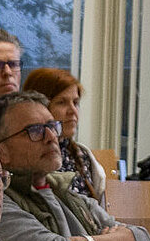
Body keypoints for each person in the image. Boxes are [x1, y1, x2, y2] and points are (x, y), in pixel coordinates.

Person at [0, 92, 150, 241]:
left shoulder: (67, 193)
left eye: (52, 126)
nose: (51, 137)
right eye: (35, 130)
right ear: (0, 150)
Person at [22, 66, 107, 203]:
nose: (73, 111)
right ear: (38, 107)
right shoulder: (26, 157)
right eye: (61, 102)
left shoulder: (82, 155)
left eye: (75, 102)